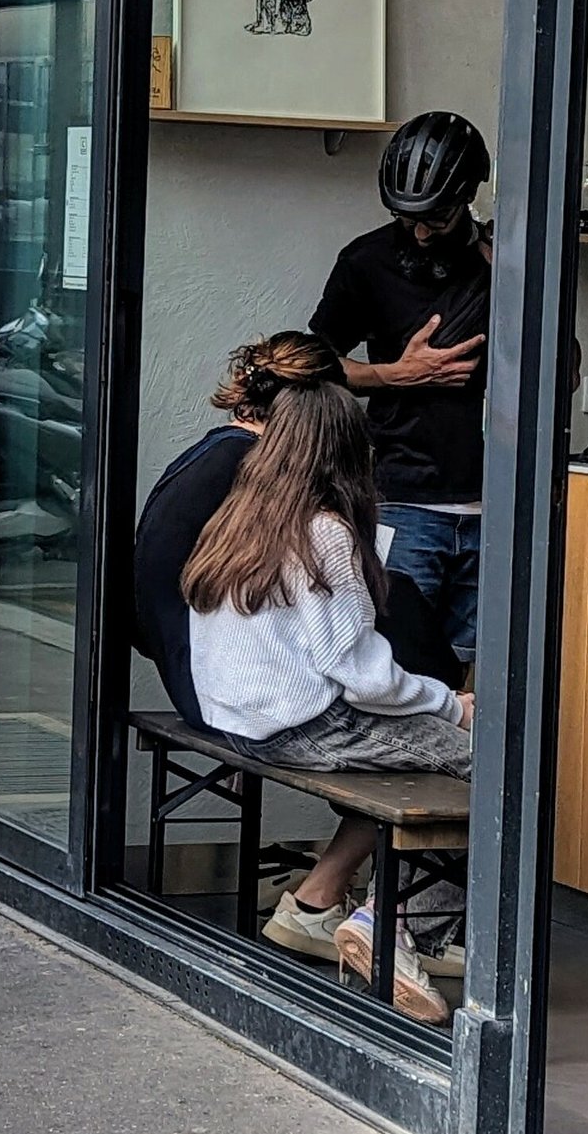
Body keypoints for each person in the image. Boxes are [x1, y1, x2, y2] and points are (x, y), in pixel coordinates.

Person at [182, 381, 475, 1024]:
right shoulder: (326, 533)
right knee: (494, 773)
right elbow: (360, 676)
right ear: (349, 454)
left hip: (240, 719)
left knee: (416, 771)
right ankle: (394, 929)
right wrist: (452, 706)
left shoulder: (239, 517)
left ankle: (317, 903)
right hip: (308, 725)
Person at [135, 331, 466, 733]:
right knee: (386, 598)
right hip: (223, 685)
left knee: (389, 595)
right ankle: (448, 704)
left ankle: (437, 700)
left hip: (207, 675)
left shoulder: (214, 454)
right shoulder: (243, 466)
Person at [311, 111, 493, 667]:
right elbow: (314, 367)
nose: (417, 231)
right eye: (404, 216)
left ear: (465, 199)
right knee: (395, 656)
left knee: (471, 665)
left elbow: (569, 370)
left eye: (433, 218)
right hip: (404, 500)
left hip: (499, 504)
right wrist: (398, 374)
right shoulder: (366, 262)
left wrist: (510, 273)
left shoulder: (503, 262)